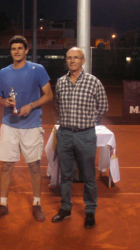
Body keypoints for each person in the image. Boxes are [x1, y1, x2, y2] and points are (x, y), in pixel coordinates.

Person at [0, 35, 53, 221]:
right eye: (13, 48)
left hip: (32, 125)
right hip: (9, 125)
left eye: (19, 48)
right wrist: (5, 102)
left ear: (26, 50)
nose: (16, 51)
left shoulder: (37, 69)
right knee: (7, 165)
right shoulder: (3, 72)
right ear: (10, 52)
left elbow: (48, 95)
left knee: (34, 166)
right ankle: (3, 204)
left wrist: (31, 105)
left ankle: (37, 204)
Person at [52, 47, 108, 229]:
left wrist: (90, 122)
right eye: (69, 58)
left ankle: (90, 211)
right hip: (65, 133)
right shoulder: (60, 82)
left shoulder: (94, 82)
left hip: (85, 134)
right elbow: (58, 104)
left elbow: (103, 107)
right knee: (66, 174)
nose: (72, 61)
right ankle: (66, 208)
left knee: (88, 175)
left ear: (83, 61)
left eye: (76, 58)